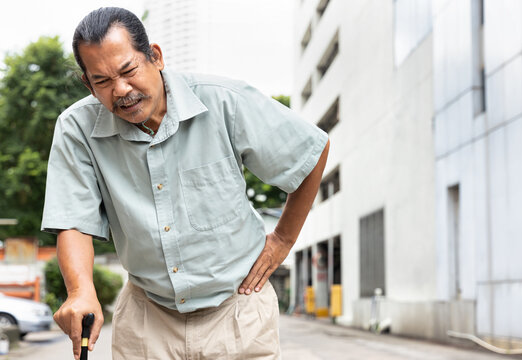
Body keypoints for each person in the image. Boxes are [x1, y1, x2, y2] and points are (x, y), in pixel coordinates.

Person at [41, 7, 329, 360]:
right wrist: (80, 290)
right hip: (148, 318)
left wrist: (283, 239)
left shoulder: (224, 100)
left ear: (156, 57)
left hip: (237, 309)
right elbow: (73, 220)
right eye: (102, 81)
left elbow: (311, 152)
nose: (121, 90)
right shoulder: (76, 129)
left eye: (128, 70)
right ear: (88, 84)